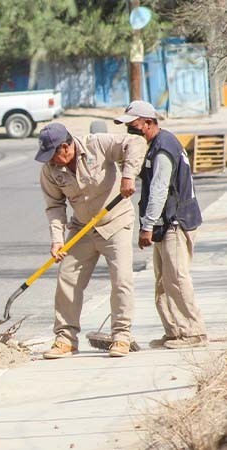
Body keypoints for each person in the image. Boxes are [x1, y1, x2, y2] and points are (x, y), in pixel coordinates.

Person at [36, 123, 146, 359]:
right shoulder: (50, 170)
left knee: (121, 279)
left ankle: (121, 336)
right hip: (82, 228)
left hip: (115, 221)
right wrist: (57, 240)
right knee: (67, 278)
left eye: (54, 154)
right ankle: (65, 339)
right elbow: (54, 206)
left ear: (65, 147)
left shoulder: (96, 144)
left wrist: (128, 175)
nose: (52, 162)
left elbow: (135, 142)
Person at [114, 101, 207, 349]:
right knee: (162, 281)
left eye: (134, 127)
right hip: (163, 224)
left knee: (176, 278)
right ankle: (175, 331)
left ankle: (194, 333)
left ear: (149, 123)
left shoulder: (163, 147)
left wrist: (147, 226)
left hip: (175, 222)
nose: (131, 133)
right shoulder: (153, 145)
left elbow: (158, 190)